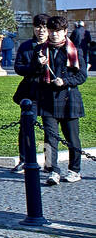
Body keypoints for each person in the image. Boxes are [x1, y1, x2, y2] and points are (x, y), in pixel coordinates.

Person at [20, 16, 88, 184]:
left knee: (72, 137)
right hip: (48, 99)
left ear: (65, 32)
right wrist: (39, 64)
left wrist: (65, 81)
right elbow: (33, 72)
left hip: (69, 98)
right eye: (51, 31)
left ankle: (74, 169)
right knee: (49, 138)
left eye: (58, 31)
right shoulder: (41, 50)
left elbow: (82, 75)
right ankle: (52, 169)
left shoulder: (74, 50)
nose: (54, 35)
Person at [11, 14, 51, 173]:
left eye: (44, 27)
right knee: (26, 126)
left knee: (50, 128)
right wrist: (34, 66)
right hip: (31, 91)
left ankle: (49, 161)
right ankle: (24, 158)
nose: (41, 31)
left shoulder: (52, 46)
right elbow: (19, 68)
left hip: (49, 92)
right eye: (38, 27)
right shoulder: (26, 46)